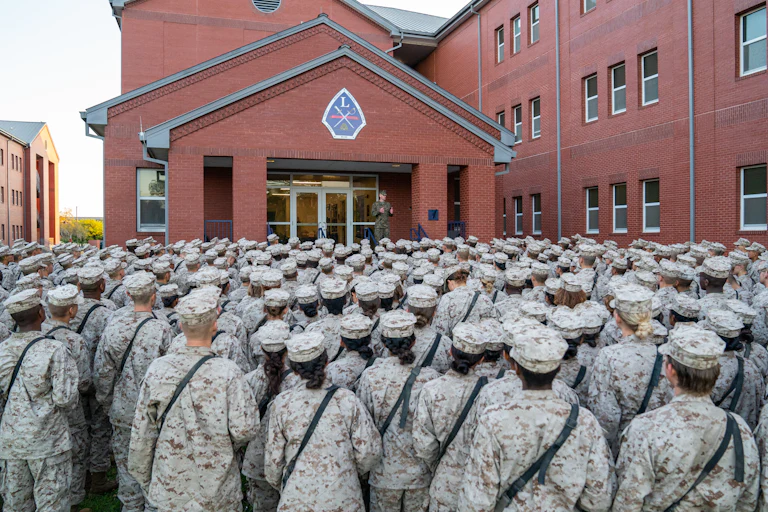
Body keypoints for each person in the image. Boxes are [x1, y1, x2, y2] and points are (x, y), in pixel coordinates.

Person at [457, 324, 615, 511]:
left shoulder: (494, 420)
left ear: (516, 369)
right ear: (557, 370)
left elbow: (477, 499)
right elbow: (598, 499)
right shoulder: (585, 421)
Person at [128, 288, 260, 511]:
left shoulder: (157, 370)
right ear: (215, 325)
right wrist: (220, 441)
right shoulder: (228, 372)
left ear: (181, 326)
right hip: (216, 487)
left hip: (170, 483)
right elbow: (245, 429)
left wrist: (144, 477)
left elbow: (143, 430)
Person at [613, 326, 759, 511]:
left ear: (670, 371)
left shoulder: (647, 427)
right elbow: (748, 500)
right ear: (716, 373)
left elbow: (628, 501)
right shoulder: (740, 429)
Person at [265, 332, 382, 511]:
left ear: (294, 369)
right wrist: (346, 471)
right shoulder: (347, 400)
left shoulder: (282, 404)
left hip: (297, 498)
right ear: (326, 362)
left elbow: (273, 464)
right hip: (343, 496)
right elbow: (369, 452)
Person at [94, 272, 173, 512]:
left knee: (127, 465)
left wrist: (108, 403)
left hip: (124, 408)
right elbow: (171, 373)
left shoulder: (114, 326)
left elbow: (103, 372)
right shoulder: (162, 328)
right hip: (156, 410)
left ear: (127, 294)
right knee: (154, 465)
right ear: (154, 295)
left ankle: (130, 506)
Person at [0, 289, 79, 512]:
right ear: (41, 314)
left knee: (16, 504)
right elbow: (66, 399)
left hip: (12, 439)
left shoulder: (2, 350)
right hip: (48, 440)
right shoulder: (55, 350)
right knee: (52, 503)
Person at [357, 311, 441, 512]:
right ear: (413, 342)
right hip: (420, 473)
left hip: (383, 473)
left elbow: (363, 429)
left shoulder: (370, 377)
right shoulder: (430, 378)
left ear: (384, 344)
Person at [588, 283, 673, 455]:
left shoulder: (609, 356)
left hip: (625, 445)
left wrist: (605, 450)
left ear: (617, 317)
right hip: (663, 445)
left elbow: (606, 416)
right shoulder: (669, 356)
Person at [413, 322, 488, 511]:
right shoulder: (492, 392)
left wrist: (439, 464)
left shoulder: (432, 390)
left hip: (444, 483)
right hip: (480, 487)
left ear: (450, 352)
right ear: (481, 360)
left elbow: (423, 444)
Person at [42, 285, 93, 511]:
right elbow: (83, 383)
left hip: (41, 410)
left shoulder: (38, 333)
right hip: (70, 409)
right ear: (72, 311)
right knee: (76, 453)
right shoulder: (74, 340)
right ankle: (72, 502)